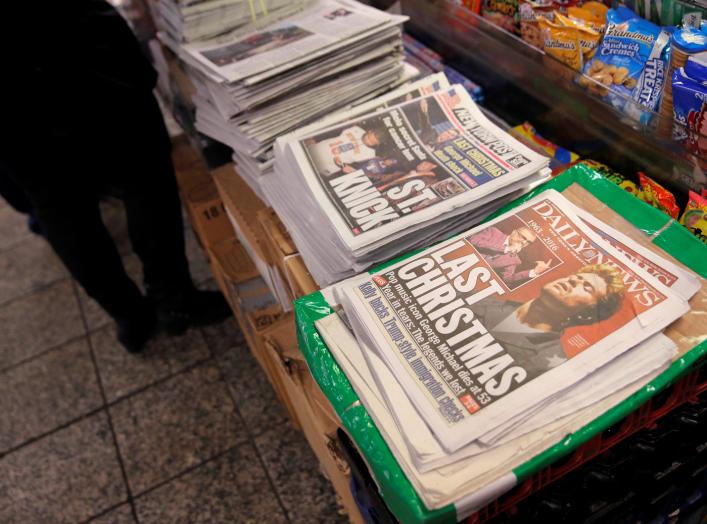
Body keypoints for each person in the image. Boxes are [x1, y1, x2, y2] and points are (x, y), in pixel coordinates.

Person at [2, 1, 230, 353]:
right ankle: (172, 297)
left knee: (59, 204)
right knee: (143, 173)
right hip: (79, 48)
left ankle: (130, 314)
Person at [471, 264, 625, 379]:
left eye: (587, 287)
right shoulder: (476, 300)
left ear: (588, 314)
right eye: (577, 277)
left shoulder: (548, 367)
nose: (572, 280)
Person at [468, 225, 552, 286]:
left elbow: (507, 279)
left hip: (473, 278)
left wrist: (533, 272)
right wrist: (505, 249)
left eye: (528, 242)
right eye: (523, 237)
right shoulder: (493, 232)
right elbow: (474, 240)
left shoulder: (514, 259)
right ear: (514, 232)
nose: (524, 242)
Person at [306, 124, 387, 176]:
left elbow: (355, 171)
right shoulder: (356, 129)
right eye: (368, 137)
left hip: (324, 166)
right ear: (369, 131)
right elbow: (334, 131)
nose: (367, 141)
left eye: (371, 142)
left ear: (377, 144)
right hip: (316, 149)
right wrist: (315, 139)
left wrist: (341, 164)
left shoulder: (370, 155)